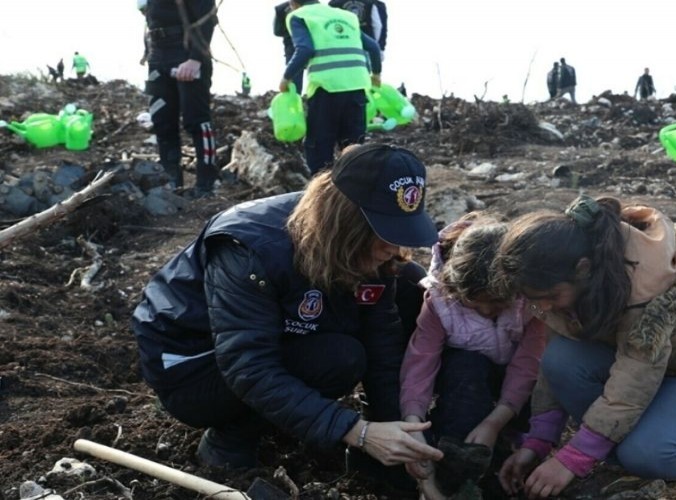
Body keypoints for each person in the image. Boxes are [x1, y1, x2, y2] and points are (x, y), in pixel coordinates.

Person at [131, 143, 444, 478]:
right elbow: (247, 366)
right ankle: (230, 439)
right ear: (347, 221)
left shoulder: (357, 246)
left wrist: (402, 428)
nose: (393, 247)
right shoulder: (250, 248)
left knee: (410, 284)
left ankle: (371, 458)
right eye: (384, 232)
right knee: (339, 358)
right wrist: (357, 432)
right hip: (194, 367)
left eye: (400, 231)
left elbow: (381, 338)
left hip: (282, 326)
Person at [493, 195, 676, 500]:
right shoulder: (563, 281)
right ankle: (616, 454)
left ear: (582, 269)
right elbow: (552, 365)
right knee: (561, 359)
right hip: (653, 364)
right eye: (534, 298)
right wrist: (538, 442)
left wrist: (573, 458)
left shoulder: (643, 290)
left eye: (549, 297)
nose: (541, 306)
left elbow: (632, 384)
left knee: (646, 453)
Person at [400, 213, 546, 497]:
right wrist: (413, 422)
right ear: (456, 289)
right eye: (476, 305)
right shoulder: (441, 301)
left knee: (542, 382)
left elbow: (527, 365)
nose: (487, 312)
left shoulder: (529, 300)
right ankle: (456, 460)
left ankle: (509, 447)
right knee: (466, 367)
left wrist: (495, 422)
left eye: (496, 304)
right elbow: (420, 363)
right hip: (465, 384)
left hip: (519, 387)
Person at [280, 0, 382, 175]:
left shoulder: (298, 16)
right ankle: (354, 196)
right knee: (353, 150)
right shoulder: (347, 16)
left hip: (326, 90)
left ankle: (322, 195)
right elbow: (373, 47)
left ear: (293, 3)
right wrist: (376, 74)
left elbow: (305, 49)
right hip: (357, 88)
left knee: (320, 149)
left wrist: (286, 78)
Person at [143, 0, 219, 198]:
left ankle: (206, 185)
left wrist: (195, 59)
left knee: (197, 122)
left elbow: (207, 18)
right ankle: (172, 183)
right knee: (162, 123)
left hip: (186, 53)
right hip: (158, 56)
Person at [273, 1, 303, 93]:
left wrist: (291, 31)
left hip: (291, 46)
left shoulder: (281, 8)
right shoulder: (312, 5)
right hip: (314, 44)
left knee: (294, 76)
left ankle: (295, 99)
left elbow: (277, 31)